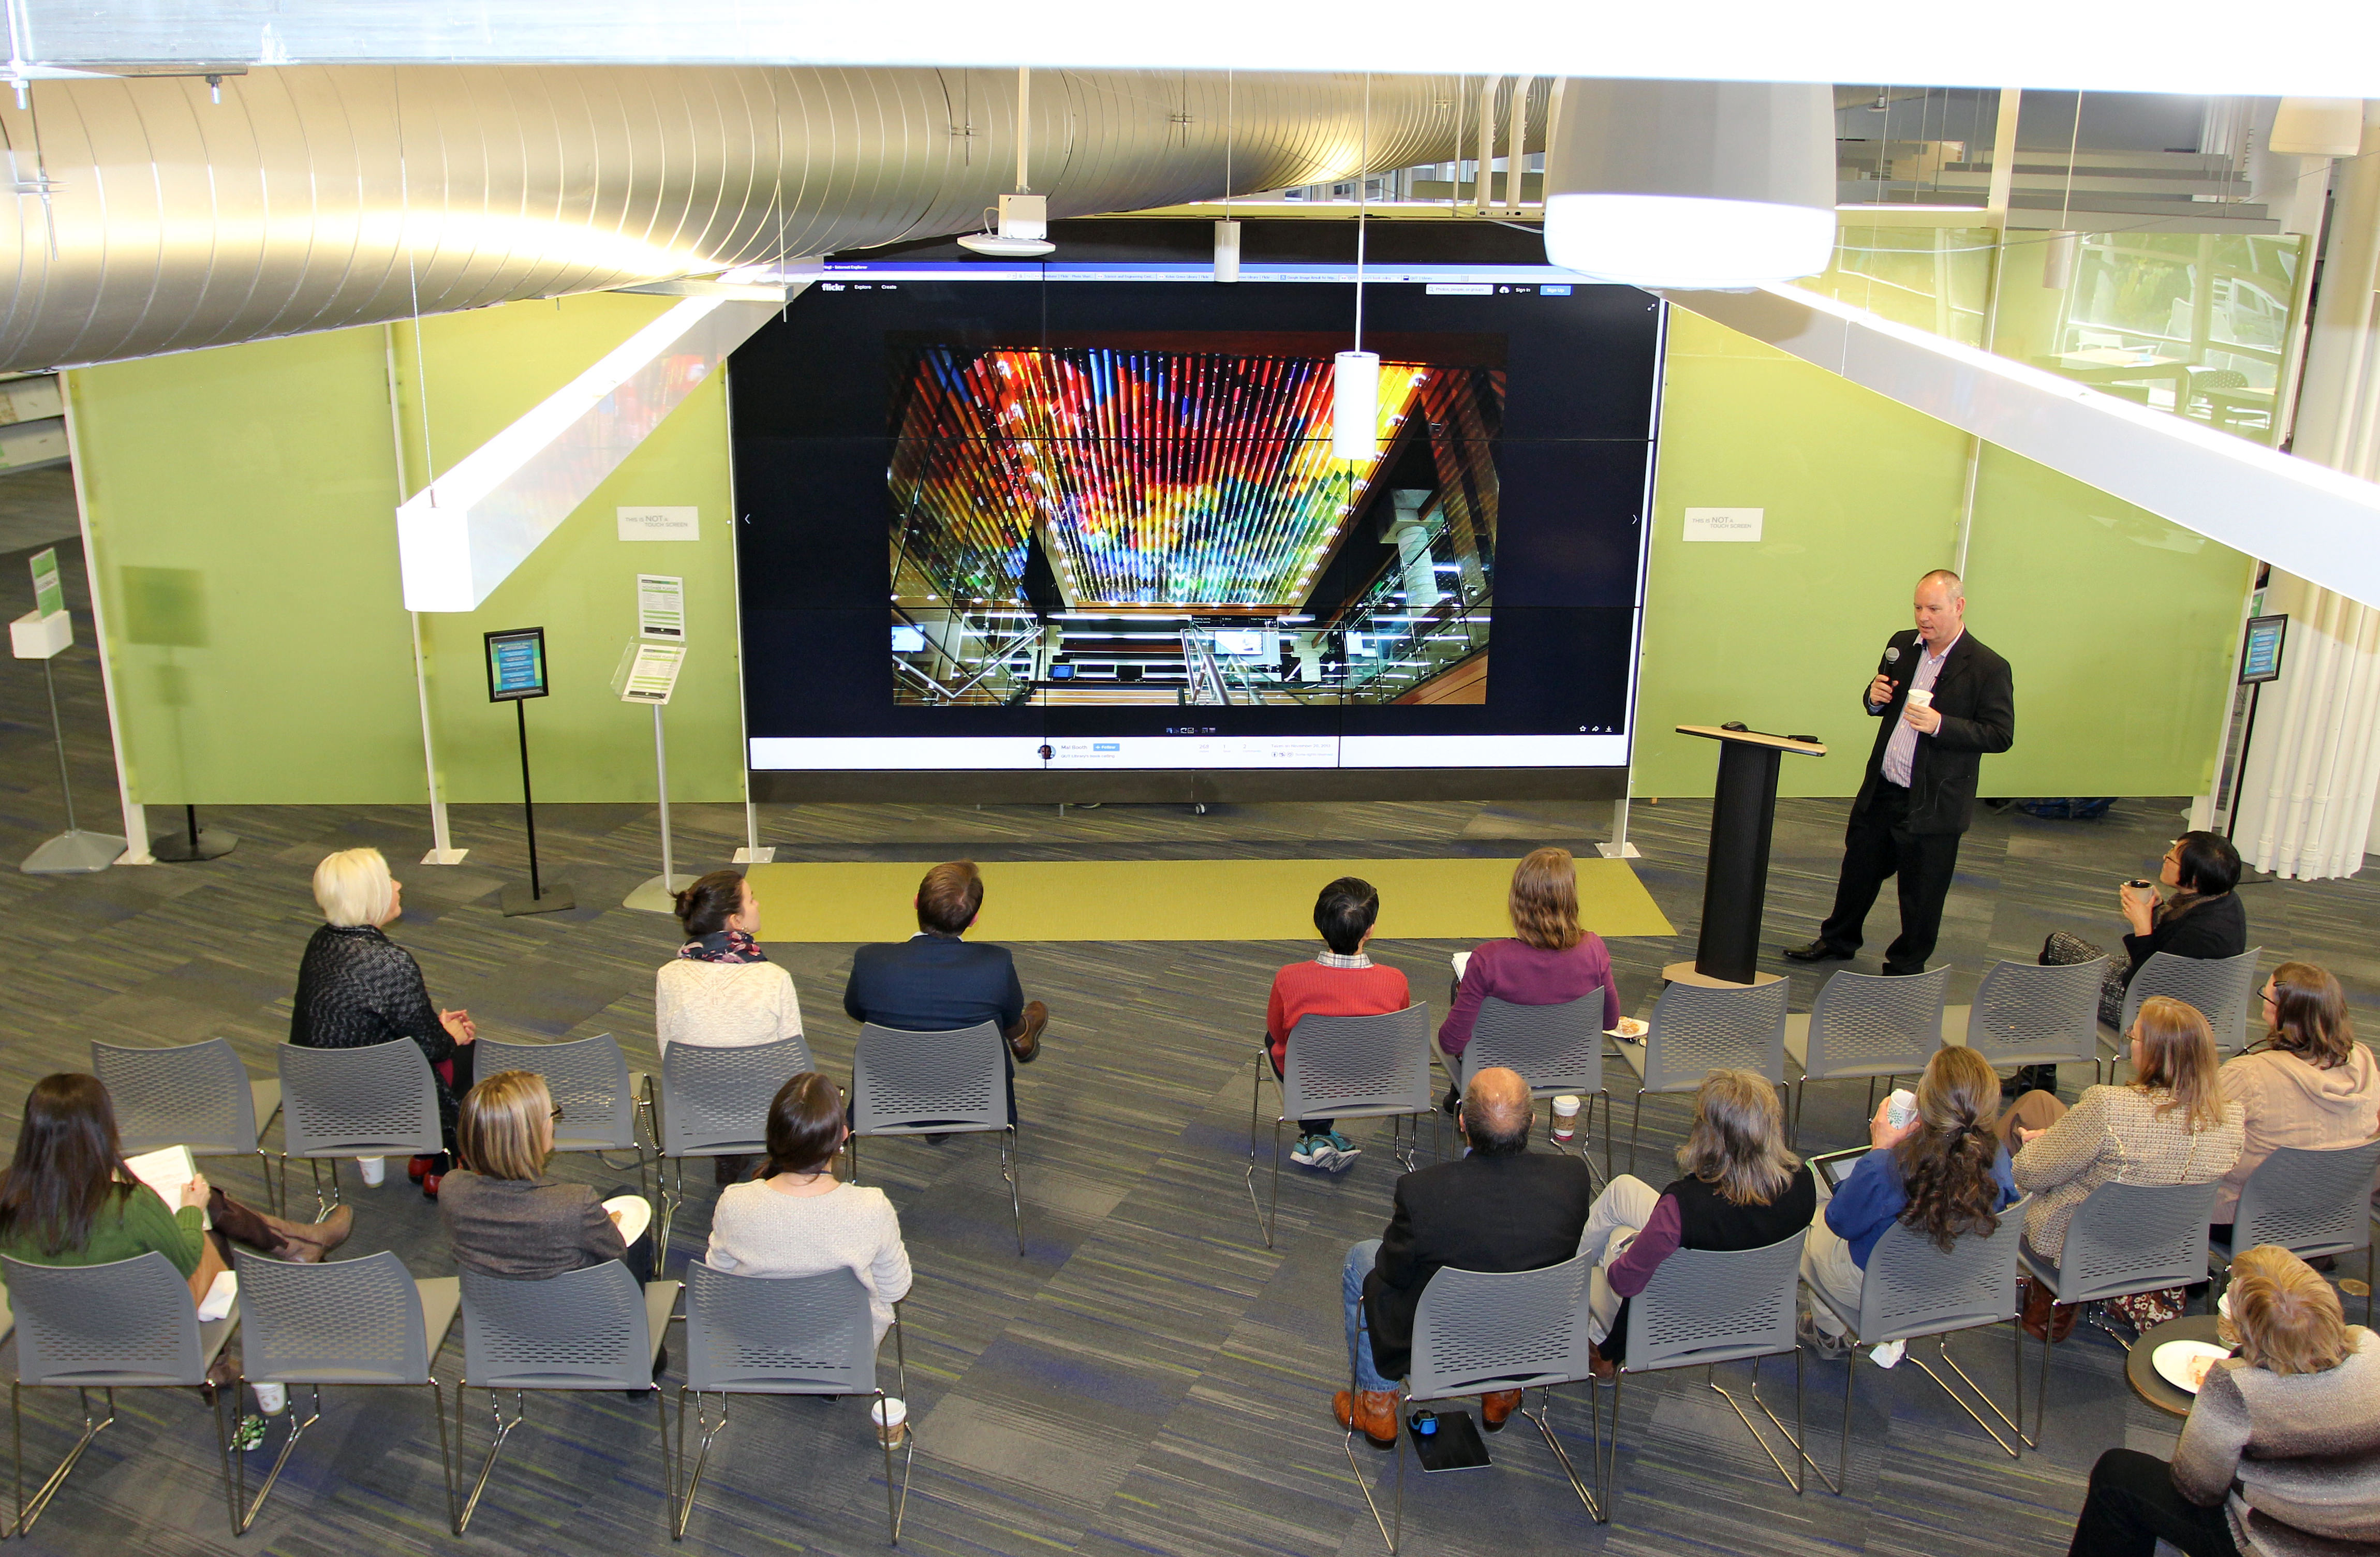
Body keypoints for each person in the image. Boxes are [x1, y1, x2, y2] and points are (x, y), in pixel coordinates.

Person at [0, 1075, 352, 1443]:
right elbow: (185, 1259)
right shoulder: (128, 1203)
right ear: (100, 1130)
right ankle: (224, 1354)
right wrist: (190, 1210)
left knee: (207, 1208)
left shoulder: (5, 1194)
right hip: (144, 1332)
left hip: (57, 1334)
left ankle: (297, 1247)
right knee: (206, 1226)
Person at [2064, 1244, 2380, 1557]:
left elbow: (2197, 1491)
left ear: (2249, 1329)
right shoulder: (2371, 1347)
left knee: (2116, 1476)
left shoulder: (2236, 1385)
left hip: (2277, 1544)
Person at [1336, 1068, 1594, 1446]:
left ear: (1461, 1121)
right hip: (1530, 1337)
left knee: (1361, 1258)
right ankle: (1502, 1393)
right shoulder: (1572, 1177)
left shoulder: (1422, 1191)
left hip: (1442, 1342)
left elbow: (1391, 1272)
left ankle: (1377, 1406)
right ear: (1533, 1122)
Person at [1786, 569, 2015, 977]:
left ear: (1958, 607)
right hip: (1884, 789)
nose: (1923, 617)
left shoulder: (1987, 666)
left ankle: (1905, 966)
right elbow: (1880, 700)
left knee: (1921, 892)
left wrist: (1940, 724)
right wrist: (1872, 700)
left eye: (1933, 608)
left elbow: (1999, 734)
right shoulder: (1900, 646)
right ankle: (1838, 940)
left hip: (1934, 801)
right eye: (1917, 607)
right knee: (1857, 871)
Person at [2004, 997, 2245, 1340]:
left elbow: (2027, 1173)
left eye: (2134, 1033)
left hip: (2083, 1244)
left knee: (2022, 1127)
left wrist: (2041, 1145)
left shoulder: (2109, 1106)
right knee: (2043, 1108)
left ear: (2155, 1052)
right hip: (2165, 1246)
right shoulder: (2231, 1119)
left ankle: (2037, 1299)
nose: (2129, 1038)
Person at [1580, 1067, 1817, 1372]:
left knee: (1618, 1239)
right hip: (1750, 1303)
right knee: (1622, 1191)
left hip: (1681, 1314)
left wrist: (1626, 1248)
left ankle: (1587, 1325)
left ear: (1710, 1137)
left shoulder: (1684, 1205)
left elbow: (1624, 1282)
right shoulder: (1804, 1183)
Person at [1800, 1045, 2018, 1355]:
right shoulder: (1998, 1157)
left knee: (1813, 1206)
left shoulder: (1886, 1168)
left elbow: (1840, 1222)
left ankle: (1827, 1331)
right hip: (1954, 1279)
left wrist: (1879, 1149)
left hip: (1876, 1285)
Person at [289, 847, 477, 1198]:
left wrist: (432, 1029)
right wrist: (448, 1033)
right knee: (466, 1054)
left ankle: (427, 1156)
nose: (398, 884)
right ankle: (440, 1163)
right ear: (372, 894)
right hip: (373, 1104)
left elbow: (363, 1022)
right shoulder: (390, 963)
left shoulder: (319, 943)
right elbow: (434, 1047)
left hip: (318, 1099)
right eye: (389, 879)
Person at [2032, 832, 2248, 1095]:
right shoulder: (2223, 902)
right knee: (2075, 957)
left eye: (2172, 858)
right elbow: (2173, 954)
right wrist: (2157, 910)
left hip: (2159, 1013)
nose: (2164, 859)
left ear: (2193, 878)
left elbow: (2149, 986)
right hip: (2196, 998)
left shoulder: (2206, 933)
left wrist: (2142, 927)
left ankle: (2038, 1074)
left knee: (2058, 947)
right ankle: (2040, 1068)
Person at [707, 1073, 911, 1346]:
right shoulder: (872, 1208)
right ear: (842, 1136)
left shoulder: (735, 1202)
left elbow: (717, 1281)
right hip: (843, 1352)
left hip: (754, 1346)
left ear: (773, 1135)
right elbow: (895, 1288)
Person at [842, 861, 1047, 1131]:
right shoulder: (996, 964)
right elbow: (1008, 1016)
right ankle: (1022, 1036)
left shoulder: (871, 961)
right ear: (974, 919)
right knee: (996, 1017)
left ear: (916, 902)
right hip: (977, 1096)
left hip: (888, 1094)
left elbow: (855, 1010)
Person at [1436, 848, 1623, 1109]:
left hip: (1496, 1071)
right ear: (1570, 900)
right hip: (1567, 1065)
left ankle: (1460, 1098)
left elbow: (1450, 1042)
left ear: (1516, 901)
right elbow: (1611, 1020)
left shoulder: (1488, 960)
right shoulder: (1594, 950)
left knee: (1459, 988)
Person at [438, 1070, 654, 1286]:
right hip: (578, 1312)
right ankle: (638, 1313)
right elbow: (616, 1258)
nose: (554, 1119)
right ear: (529, 1135)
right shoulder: (576, 1204)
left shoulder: (451, 1188)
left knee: (622, 1194)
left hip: (496, 1311)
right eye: (551, 1114)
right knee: (631, 1210)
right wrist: (608, 1227)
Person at [657, 868, 804, 1184]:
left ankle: (727, 1155)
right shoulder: (774, 978)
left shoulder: (668, 976)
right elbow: (793, 1062)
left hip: (697, 1107)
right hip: (763, 1109)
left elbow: (667, 1052)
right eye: (751, 900)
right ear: (736, 922)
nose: (758, 903)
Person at [2213, 961, 2380, 1233]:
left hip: (2249, 1218)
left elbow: (2196, 1137)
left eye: (2264, 996)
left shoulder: (2247, 1074)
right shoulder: (2364, 1061)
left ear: (2279, 1011)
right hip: (2333, 1215)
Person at [1265, 877, 1412, 1172]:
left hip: (1309, 1080)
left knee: (1275, 1041)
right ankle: (1319, 1137)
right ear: (1370, 930)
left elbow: (1279, 1034)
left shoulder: (1289, 978)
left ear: (1318, 924)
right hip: (1376, 1081)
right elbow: (1400, 1038)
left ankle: (1316, 1134)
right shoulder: (1395, 981)